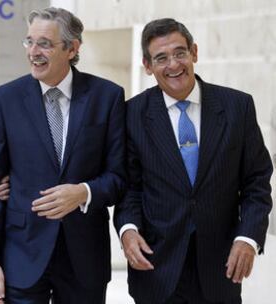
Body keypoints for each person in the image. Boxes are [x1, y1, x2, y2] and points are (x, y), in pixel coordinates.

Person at [114, 18, 273, 304]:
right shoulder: (131, 115)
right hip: (156, 268)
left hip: (220, 268)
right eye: (161, 58)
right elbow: (129, 188)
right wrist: (128, 230)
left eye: (180, 53)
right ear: (148, 66)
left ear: (194, 53)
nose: (173, 65)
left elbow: (256, 183)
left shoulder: (238, 107)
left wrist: (248, 237)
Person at [0, 7, 126, 304]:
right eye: (29, 42)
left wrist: (83, 192)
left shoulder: (107, 97)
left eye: (44, 43)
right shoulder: (4, 100)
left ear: (72, 48)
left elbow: (120, 177)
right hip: (21, 255)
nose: (33, 51)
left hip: (85, 258)